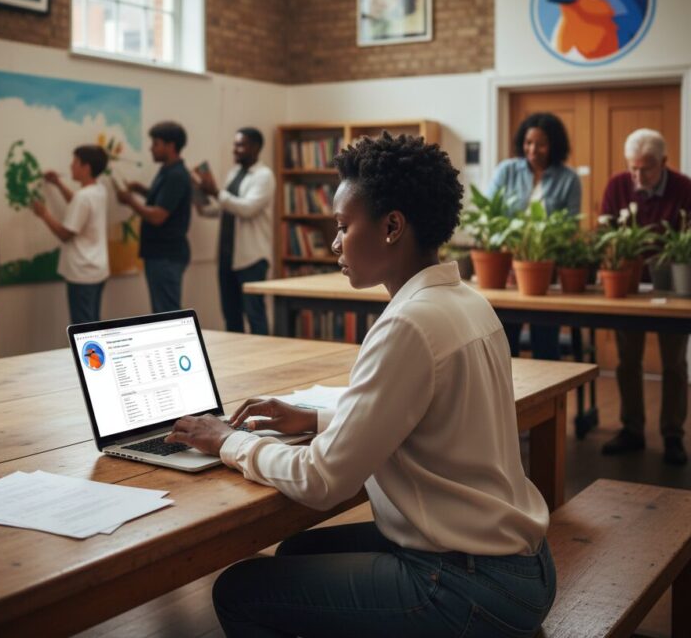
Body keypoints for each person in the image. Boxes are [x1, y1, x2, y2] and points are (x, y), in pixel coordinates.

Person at [167, 133, 556, 638]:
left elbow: (323, 480)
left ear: (392, 226)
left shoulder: (407, 325)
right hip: (523, 565)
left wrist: (229, 441)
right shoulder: (466, 301)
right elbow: (427, 418)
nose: (334, 244)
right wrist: (317, 418)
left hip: (470, 586)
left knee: (238, 591)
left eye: (344, 226)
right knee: (297, 552)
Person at [600, 128, 691, 466]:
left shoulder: (684, 189)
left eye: (646, 168)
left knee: (674, 363)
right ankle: (632, 429)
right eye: (633, 167)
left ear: (664, 162)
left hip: (673, 290)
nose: (637, 176)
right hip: (630, 288)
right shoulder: (618, 185)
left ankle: (672, 435)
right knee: (627, 360)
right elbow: (605, 234)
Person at [487, 112, 581, 360]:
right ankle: (509, 398)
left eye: (541, 144)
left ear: (554, 145)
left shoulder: (568, 179)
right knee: (505, 344)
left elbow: (569, 227)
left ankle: (546, 398)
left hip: (545, 273)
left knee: (546, 345)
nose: (533, 149)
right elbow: (490, 213)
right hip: (506, 271)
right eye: (528, 143)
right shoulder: (506, 171)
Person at [195, 128, 275, 335]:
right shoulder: (234, 173)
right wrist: (200, 200)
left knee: (254, 315)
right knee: (231, 315)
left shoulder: (263, 176)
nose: (235, 150)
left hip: (251, 258)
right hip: (227, 257)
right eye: (235, 145)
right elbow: (225, 208)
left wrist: (215, 192)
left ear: (256, 147)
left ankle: (263, 361)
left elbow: (247, 209)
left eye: (241, 145)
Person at [115, 121, 192, 313]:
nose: (151, 148)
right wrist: (141, 190)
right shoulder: (168, 171)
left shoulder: (176, 175)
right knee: (162, 311)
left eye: (156, 143)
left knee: (167, 314)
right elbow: (164, 200)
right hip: (161, 254)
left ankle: (174, 345)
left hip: (166, 256)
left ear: (171, 146)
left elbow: (158, 216)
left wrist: (130, 200)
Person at [32, 145, 109, 324]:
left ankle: (85, 354)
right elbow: (78, 205)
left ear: (86, 167)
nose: (70, 166)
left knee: (83, 328)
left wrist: (44, 214)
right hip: (97, 269)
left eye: (75, 162)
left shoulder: (83, 197)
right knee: (93, 324)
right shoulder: (99, 189)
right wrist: (58, 184)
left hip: (82, 272)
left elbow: (65, 234)